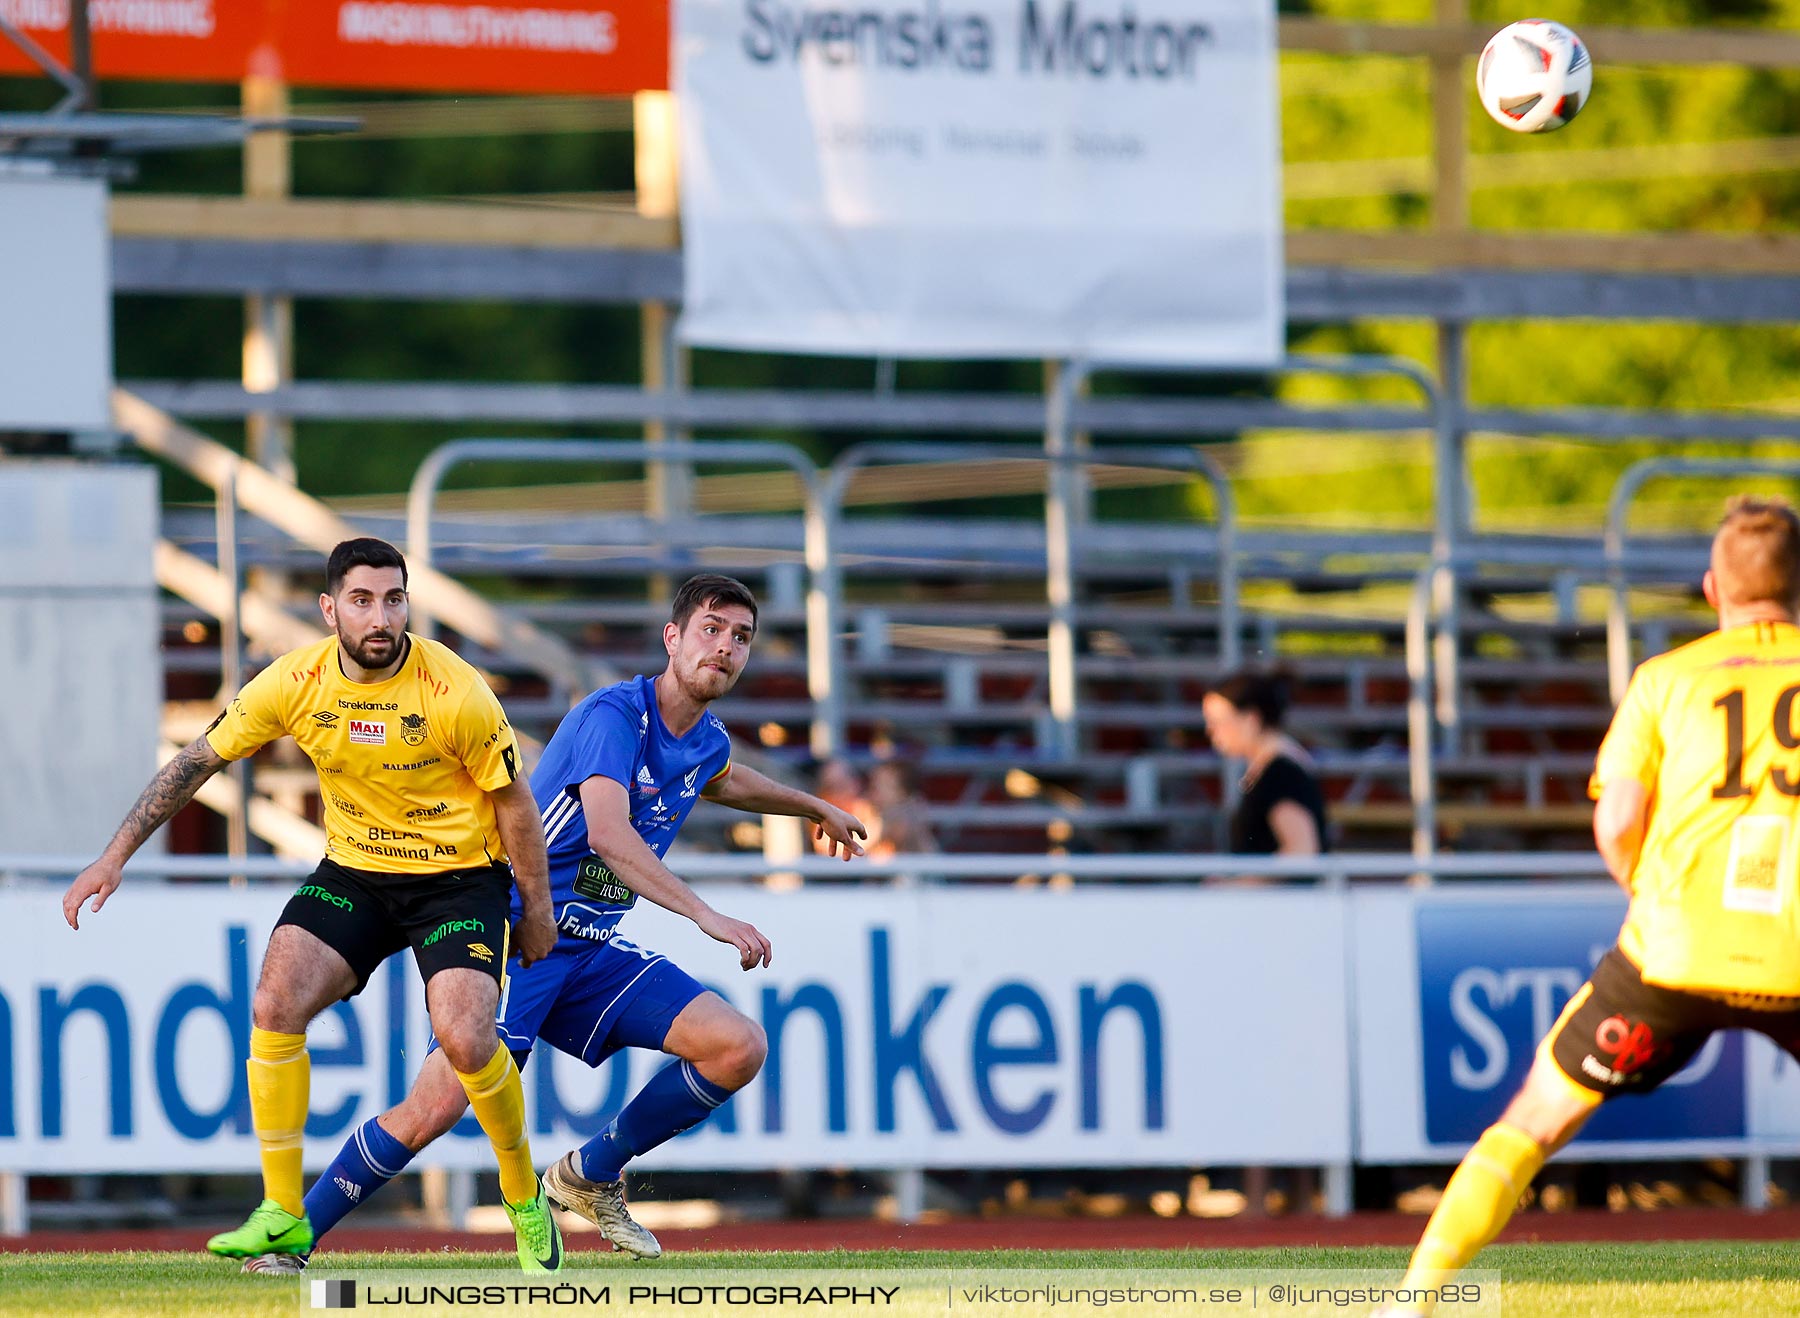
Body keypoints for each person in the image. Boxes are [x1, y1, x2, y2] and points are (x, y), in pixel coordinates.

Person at [244, 573, 866, 1272]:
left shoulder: (703, 737)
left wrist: (813, 806)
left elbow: (723, 776)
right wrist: (706, 916)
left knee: (737, 1046)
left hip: (592, 950)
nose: (724, 647)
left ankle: (590, 1174)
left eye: (741, 637)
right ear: (673, 638)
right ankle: (291, 1243)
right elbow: (607, 834)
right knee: (432, 1110)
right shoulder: (613, 717)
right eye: (710, 630)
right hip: (517, 937)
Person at [60, 538, 564, 1272]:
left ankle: (523, 1198)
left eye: (393, 599)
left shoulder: (455, 691)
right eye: (361, 601)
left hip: (458, 878)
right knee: (273, 1001)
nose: (380, 616)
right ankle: (278, 1211)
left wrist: (537, 910)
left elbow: (515, 803)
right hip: (357, 873)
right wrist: (113, 857)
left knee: (464, 1037)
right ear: (329, 609)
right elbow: (196, 761)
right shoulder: (293, 682)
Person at [1375, 495, 1800, 1317]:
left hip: (1675, 953)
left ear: (1712, 589)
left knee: (1534, 1119)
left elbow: (1615, 823)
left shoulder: (1664, 681)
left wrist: (1652, 891)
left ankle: (1417, 1298)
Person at [1200, 668, 1329, 862]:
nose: (1210, 731)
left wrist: (1240, 884)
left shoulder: (1280, 773)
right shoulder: (1274, 768)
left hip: (1281, 893)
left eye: (1217, 722)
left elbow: (1302, 850)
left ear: (1250, 720)